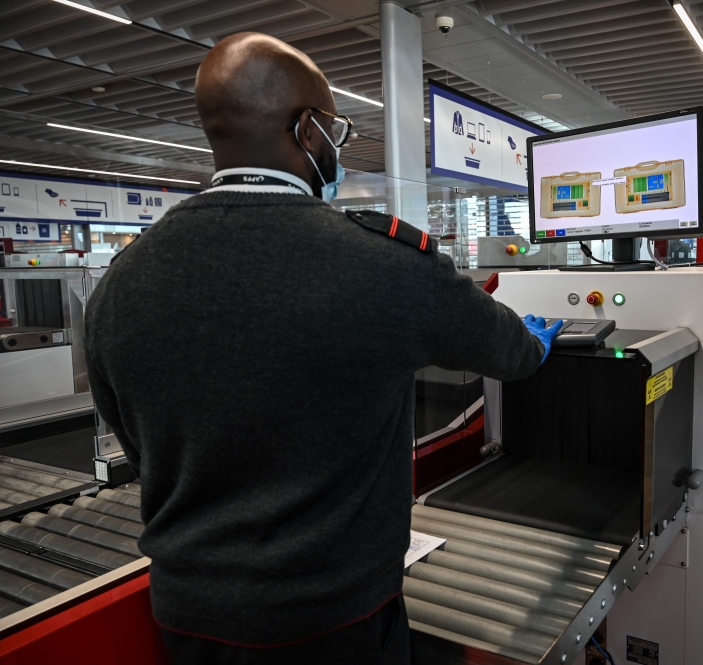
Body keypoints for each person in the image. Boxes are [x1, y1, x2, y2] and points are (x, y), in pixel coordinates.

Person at [84, 32, 562, 664]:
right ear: (307, 131)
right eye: (336, 131)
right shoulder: (383, 266)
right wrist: (534, 339)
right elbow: (511, 355)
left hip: (189, 615)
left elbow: (137, 442)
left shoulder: (121, 282)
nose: (338, 147)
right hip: (335, 616)